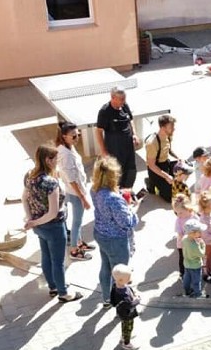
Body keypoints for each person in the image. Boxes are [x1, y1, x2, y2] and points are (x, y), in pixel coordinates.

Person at [22, 144, 82, 303]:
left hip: (40, 228)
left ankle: (53, 286)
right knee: (58, 261)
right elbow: (53, 213)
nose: (58, 162)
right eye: (56, 159)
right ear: (48, 160)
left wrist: (31, 220)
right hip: (54, 227)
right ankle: (63, 293)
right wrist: (34, 222)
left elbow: (24, 198)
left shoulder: (29, 176)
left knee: (46, 257)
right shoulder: (50, 183)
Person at [92, 156, 139, 307]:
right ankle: (120, 302)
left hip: (100, 234)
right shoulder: (114, 199)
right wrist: (132, 209)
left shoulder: (95, 190)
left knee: (105, 267)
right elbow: (126, 223)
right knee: (120, 273)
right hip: (116, 240)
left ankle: (107, 298)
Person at [55, 122, 94, 261]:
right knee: (77, 222)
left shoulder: (66, 148)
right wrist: (83, 197)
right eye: (73, 136)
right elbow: (72, 179)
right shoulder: (66, 154)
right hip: (74, 192)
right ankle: (74, 250)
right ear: (64, 136)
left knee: (76, 220)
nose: (77, 138)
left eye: (78, 135)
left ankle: (78, 242)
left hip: (70, 190)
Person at [96, 89, 138, 189]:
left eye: (124, 99)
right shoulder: (105, 111)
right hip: (115, 149)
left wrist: (134, 135)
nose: (123, 101)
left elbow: (130, 120)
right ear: (113, 98)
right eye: (121, 99)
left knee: (131, 171)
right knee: (116, 174)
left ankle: (128, 192)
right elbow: (98, 131)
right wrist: (103, 151)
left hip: (128, 147)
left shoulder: (124, 106)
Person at [145, 114, 180, 202]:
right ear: (163, 128)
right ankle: (151, 182)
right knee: (170, 197)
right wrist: (167, 176)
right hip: (155, 169)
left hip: (165, 163)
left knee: (186, 168)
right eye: (171, 127)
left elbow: (169, 150)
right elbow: (151, 165)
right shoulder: (152, 143)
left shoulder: (168, 135)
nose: (174, 128)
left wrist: (179, 158)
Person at [109, 264, 141, 350]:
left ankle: (124, 337)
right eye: (128, 278)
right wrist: (137, 300)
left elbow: (113, 296)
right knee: (129, 327)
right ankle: (127, 343)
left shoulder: (116, 285)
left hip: (121, 312)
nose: (130, 279)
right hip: (127, 314)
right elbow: (130, 304)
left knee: (124, 324)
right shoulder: (124, 295)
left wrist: (133, 294)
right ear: (121, 280)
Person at [172, 193, 198, 279]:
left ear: (188, 208)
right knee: (183, 259)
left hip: (193, 243)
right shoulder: (178, 221)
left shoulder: (194, 217)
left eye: (180, 213)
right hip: (182, 245)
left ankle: (192, 271)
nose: (178, 215)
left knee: (192, 258)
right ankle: (182, 273)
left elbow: (199, 227)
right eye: (176, 213)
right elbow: (180, 233)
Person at [181, 218, 207, 298]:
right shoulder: (195, 245)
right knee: (196, 281)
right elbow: (202, 254)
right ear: (192, 233)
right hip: (195, 266)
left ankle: (187, 290)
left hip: (187, 264)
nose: (201, 232)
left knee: (187, 278)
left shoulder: (184, 239)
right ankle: (198, 294)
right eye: (199, 231)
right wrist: (202, 244)